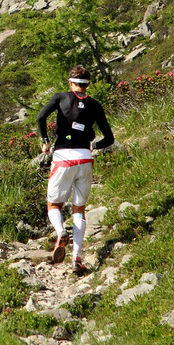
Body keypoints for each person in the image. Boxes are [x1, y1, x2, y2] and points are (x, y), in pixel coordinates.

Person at [37, 65, 114, 276]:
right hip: (85, 159)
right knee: (79, 209)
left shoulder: (61, 98)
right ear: (88, 84)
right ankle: (76, 259)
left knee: (54, 203)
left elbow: (40, 117)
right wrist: (94, 146)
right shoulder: (95, 105)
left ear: (70, 83)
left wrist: (44, 141)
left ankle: (61, 232)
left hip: (63, 157)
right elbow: (109, 138)